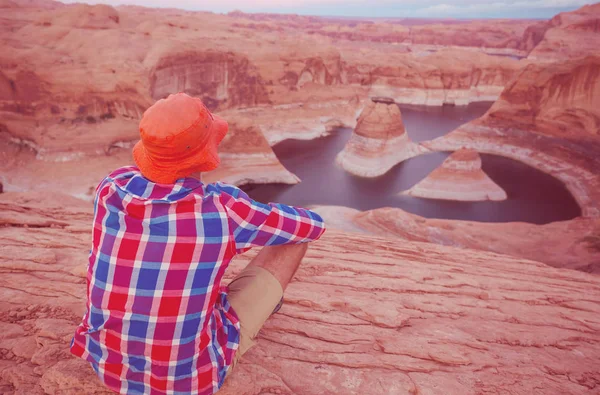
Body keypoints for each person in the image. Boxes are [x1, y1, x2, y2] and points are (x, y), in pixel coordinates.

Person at [70, 92, 326, 394]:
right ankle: (262, 303)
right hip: (187, 381)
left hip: (108, 367)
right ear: (206, 149)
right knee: (293, 241)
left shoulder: (111, 187)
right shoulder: (223, 209)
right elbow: (311, 226)